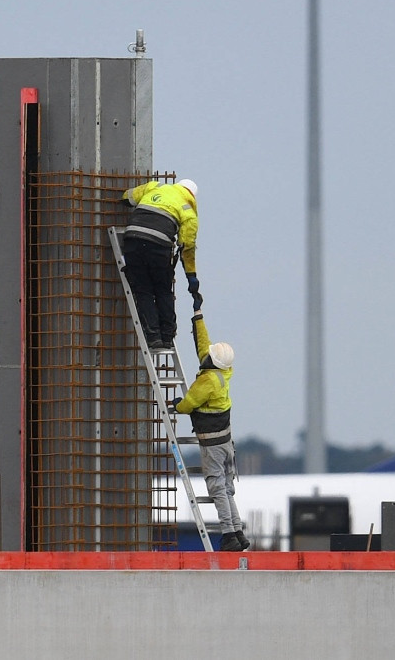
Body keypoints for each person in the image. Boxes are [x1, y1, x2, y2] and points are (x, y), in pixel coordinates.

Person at [170, 304, 249, 552]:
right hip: (226, 443)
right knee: (226, 489)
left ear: (213, 360)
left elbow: (188, 404)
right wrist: (198, 316)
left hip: (213, 445)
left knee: (216, 488)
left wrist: (177, 405)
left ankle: (229, 535)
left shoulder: (207, 381)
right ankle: (237, 532)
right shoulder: (223, 373)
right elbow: (204, 345)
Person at [120, 178, 200, 351]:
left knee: (143, 290)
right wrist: (191, 276)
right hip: (158, 247)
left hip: (132, 240)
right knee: (163, 291)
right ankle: (167, 337)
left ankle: (153, 337)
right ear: (192, 196)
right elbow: (187, 248)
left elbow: (127, 197)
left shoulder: (155, 186)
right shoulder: (188, 211)